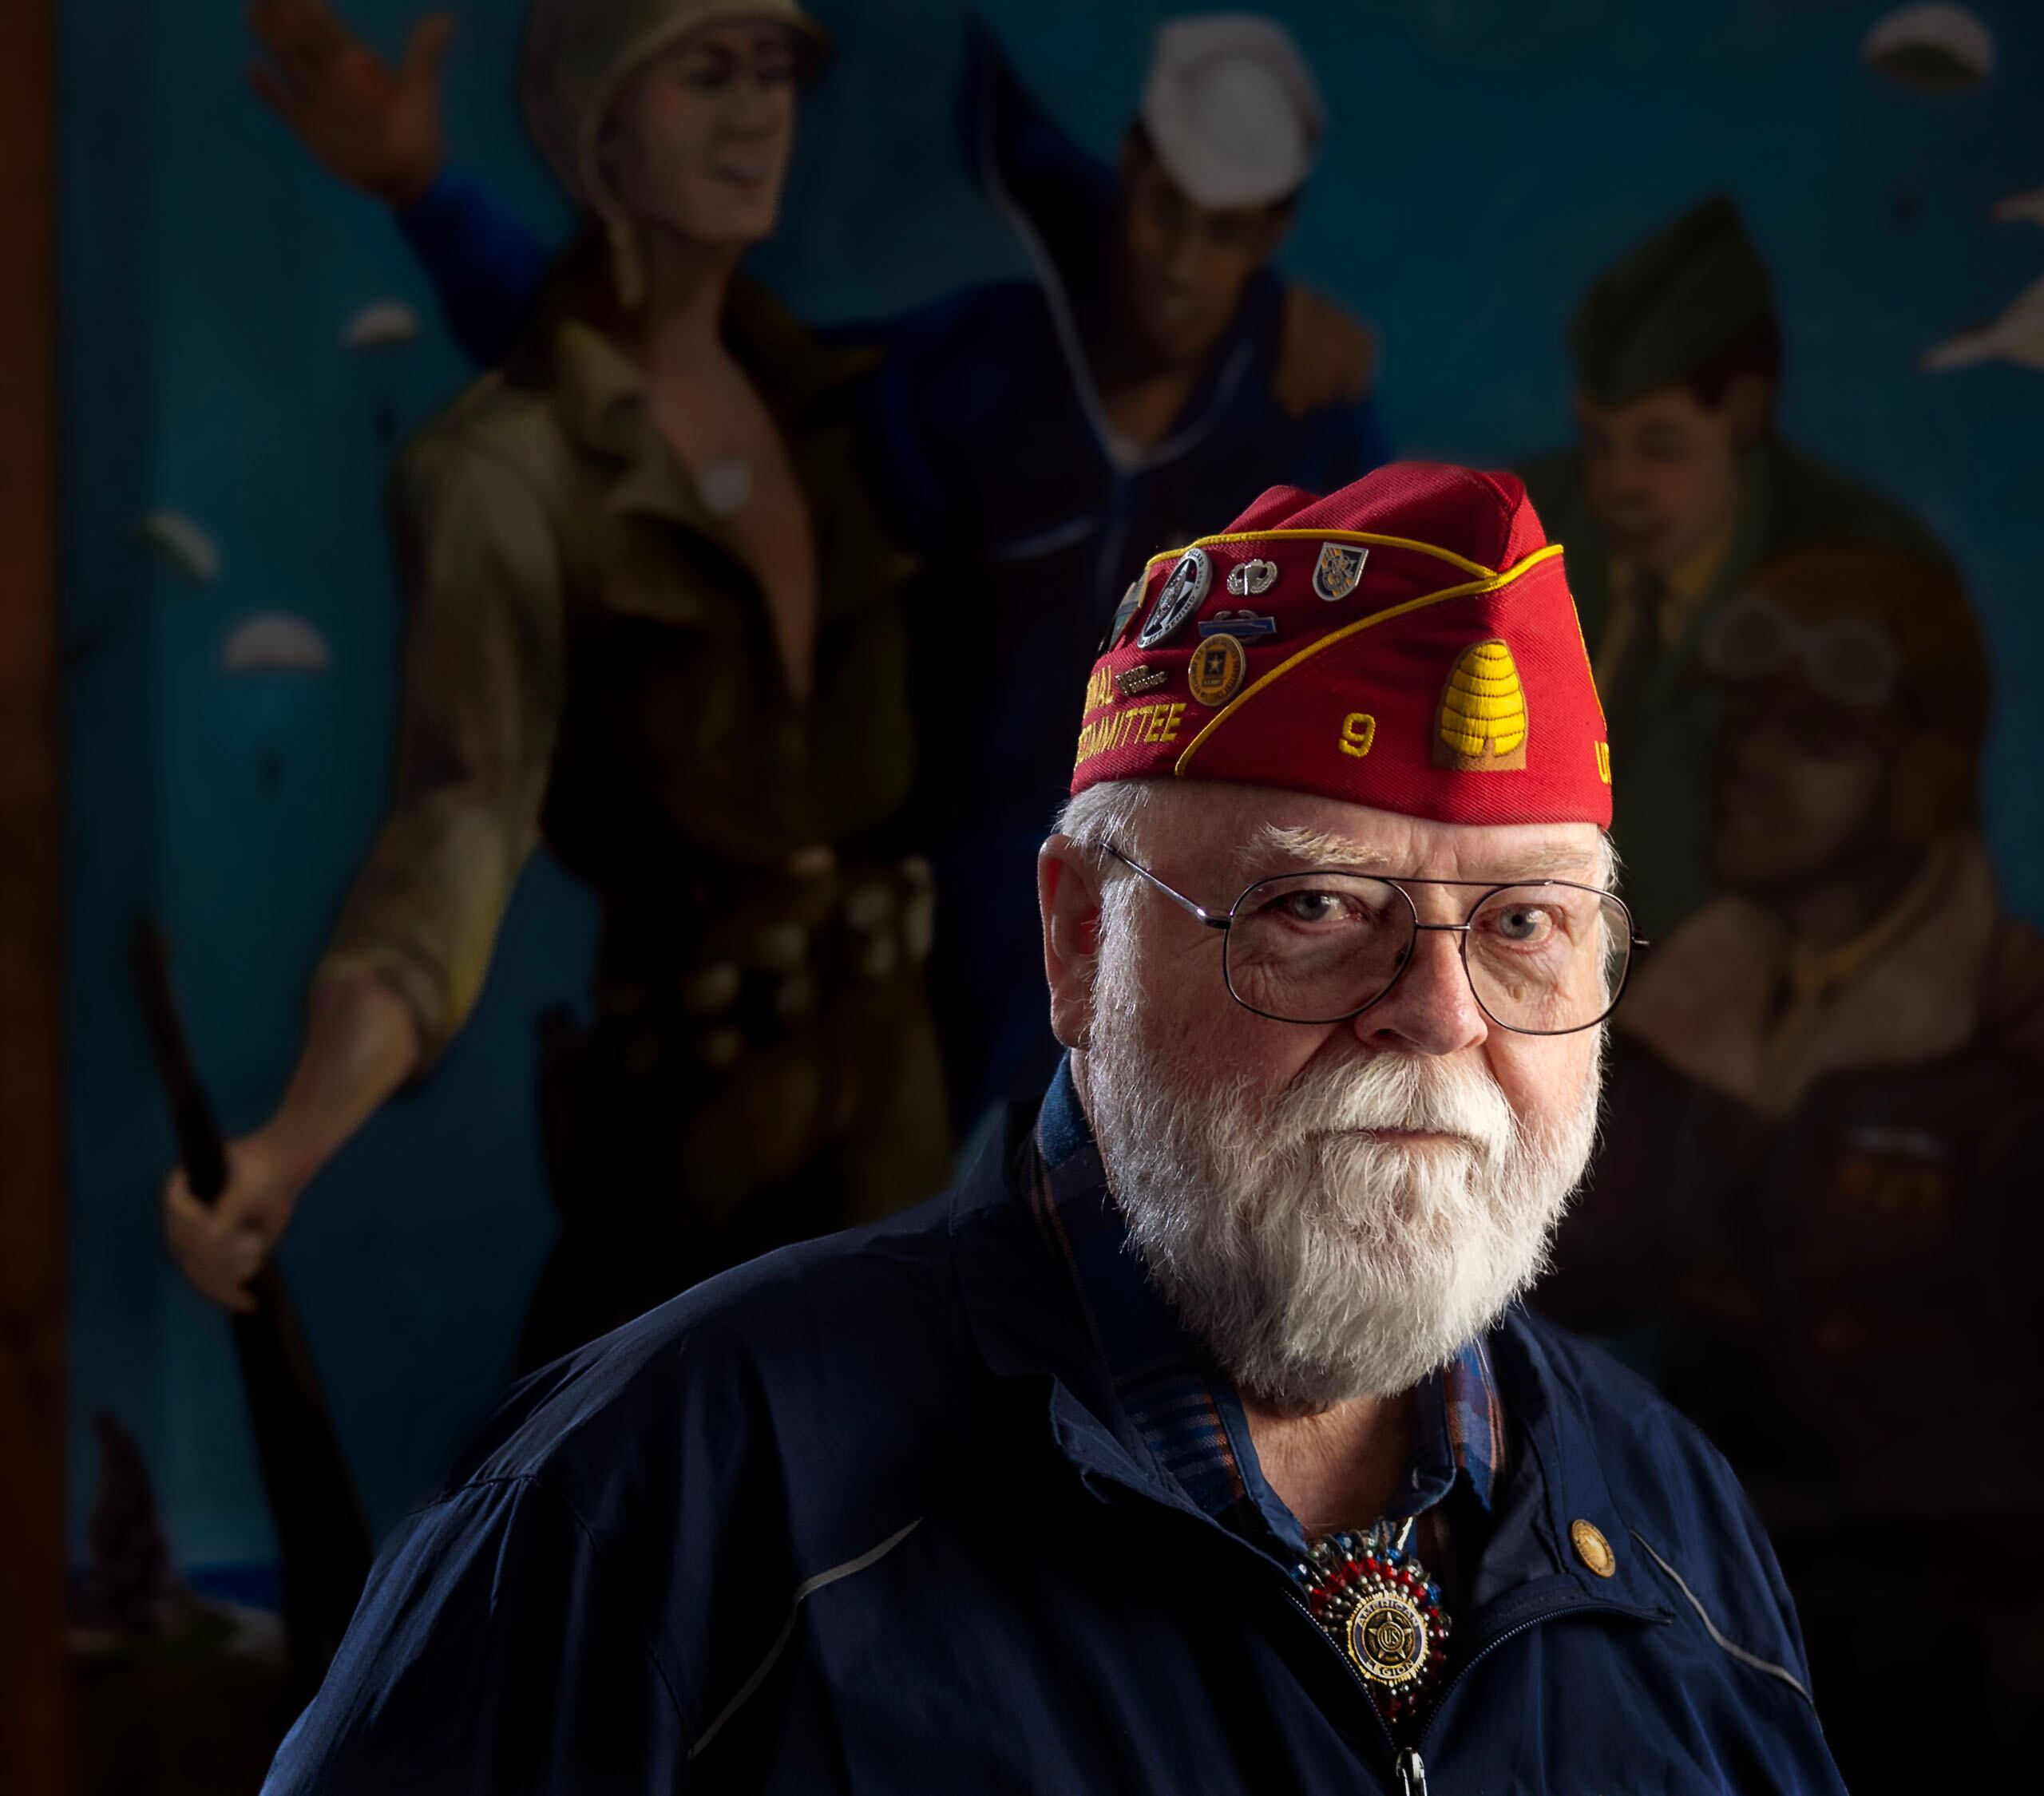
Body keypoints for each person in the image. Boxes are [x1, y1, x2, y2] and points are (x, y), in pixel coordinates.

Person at [259, 464, 1847, 1792]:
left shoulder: (1673, 1532)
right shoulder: (670, 1496)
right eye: (1314, 906)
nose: (1441, 1017)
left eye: (1522, 929)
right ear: (1081, 941)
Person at [242, 1, 1391, 1129]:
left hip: (1175, 1007)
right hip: (924, 1001)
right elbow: (665, 408)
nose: (1183, 262)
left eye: (1229, 229)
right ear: (1127, 173)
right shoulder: (977, 378)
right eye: (1164, 209)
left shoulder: (1310, 436)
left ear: (1275, 231)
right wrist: (433, 204)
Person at [165, 0, 948, 1373]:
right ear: (600, 130)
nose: (758, 111)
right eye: (706, 75)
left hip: (897, 1123)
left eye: (772, 73)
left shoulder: (846, 409)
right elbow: (458, 825)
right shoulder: (503, 478)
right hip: (692, 1133)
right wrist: (293, 1138)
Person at [1533, 548, 2044, 1787]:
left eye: (1813, 737)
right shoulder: (1686, 1018)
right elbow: (1590, 1272)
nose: (1750, 761)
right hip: (1707, 1623)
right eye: (1745, 722)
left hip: (1949, 1678)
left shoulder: (2017, 1083)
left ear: (1921, 780)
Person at [1516, 195, 1955, 941]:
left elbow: (1927, 837)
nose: (1618, 486)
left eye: (1660, 446)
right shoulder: (1520, 530)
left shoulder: (1865, 570)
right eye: (1599, 442)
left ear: (1745, 413)